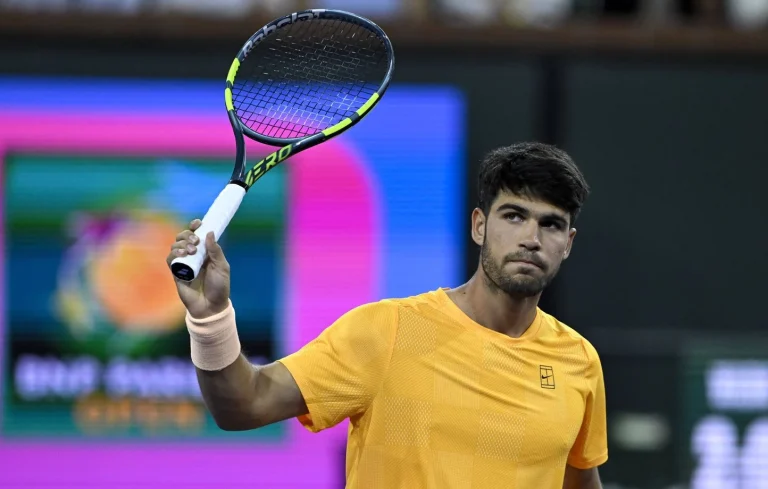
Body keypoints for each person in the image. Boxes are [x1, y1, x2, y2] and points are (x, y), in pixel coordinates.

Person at [166, 141, 607, 489]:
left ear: (567, 243)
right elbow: (243, 404)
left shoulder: (579, 362)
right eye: (514, 215)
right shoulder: (386, 331)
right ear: (479, 226)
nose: (531, 238)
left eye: (550, 224)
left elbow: (579, 479)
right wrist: (211, 317)